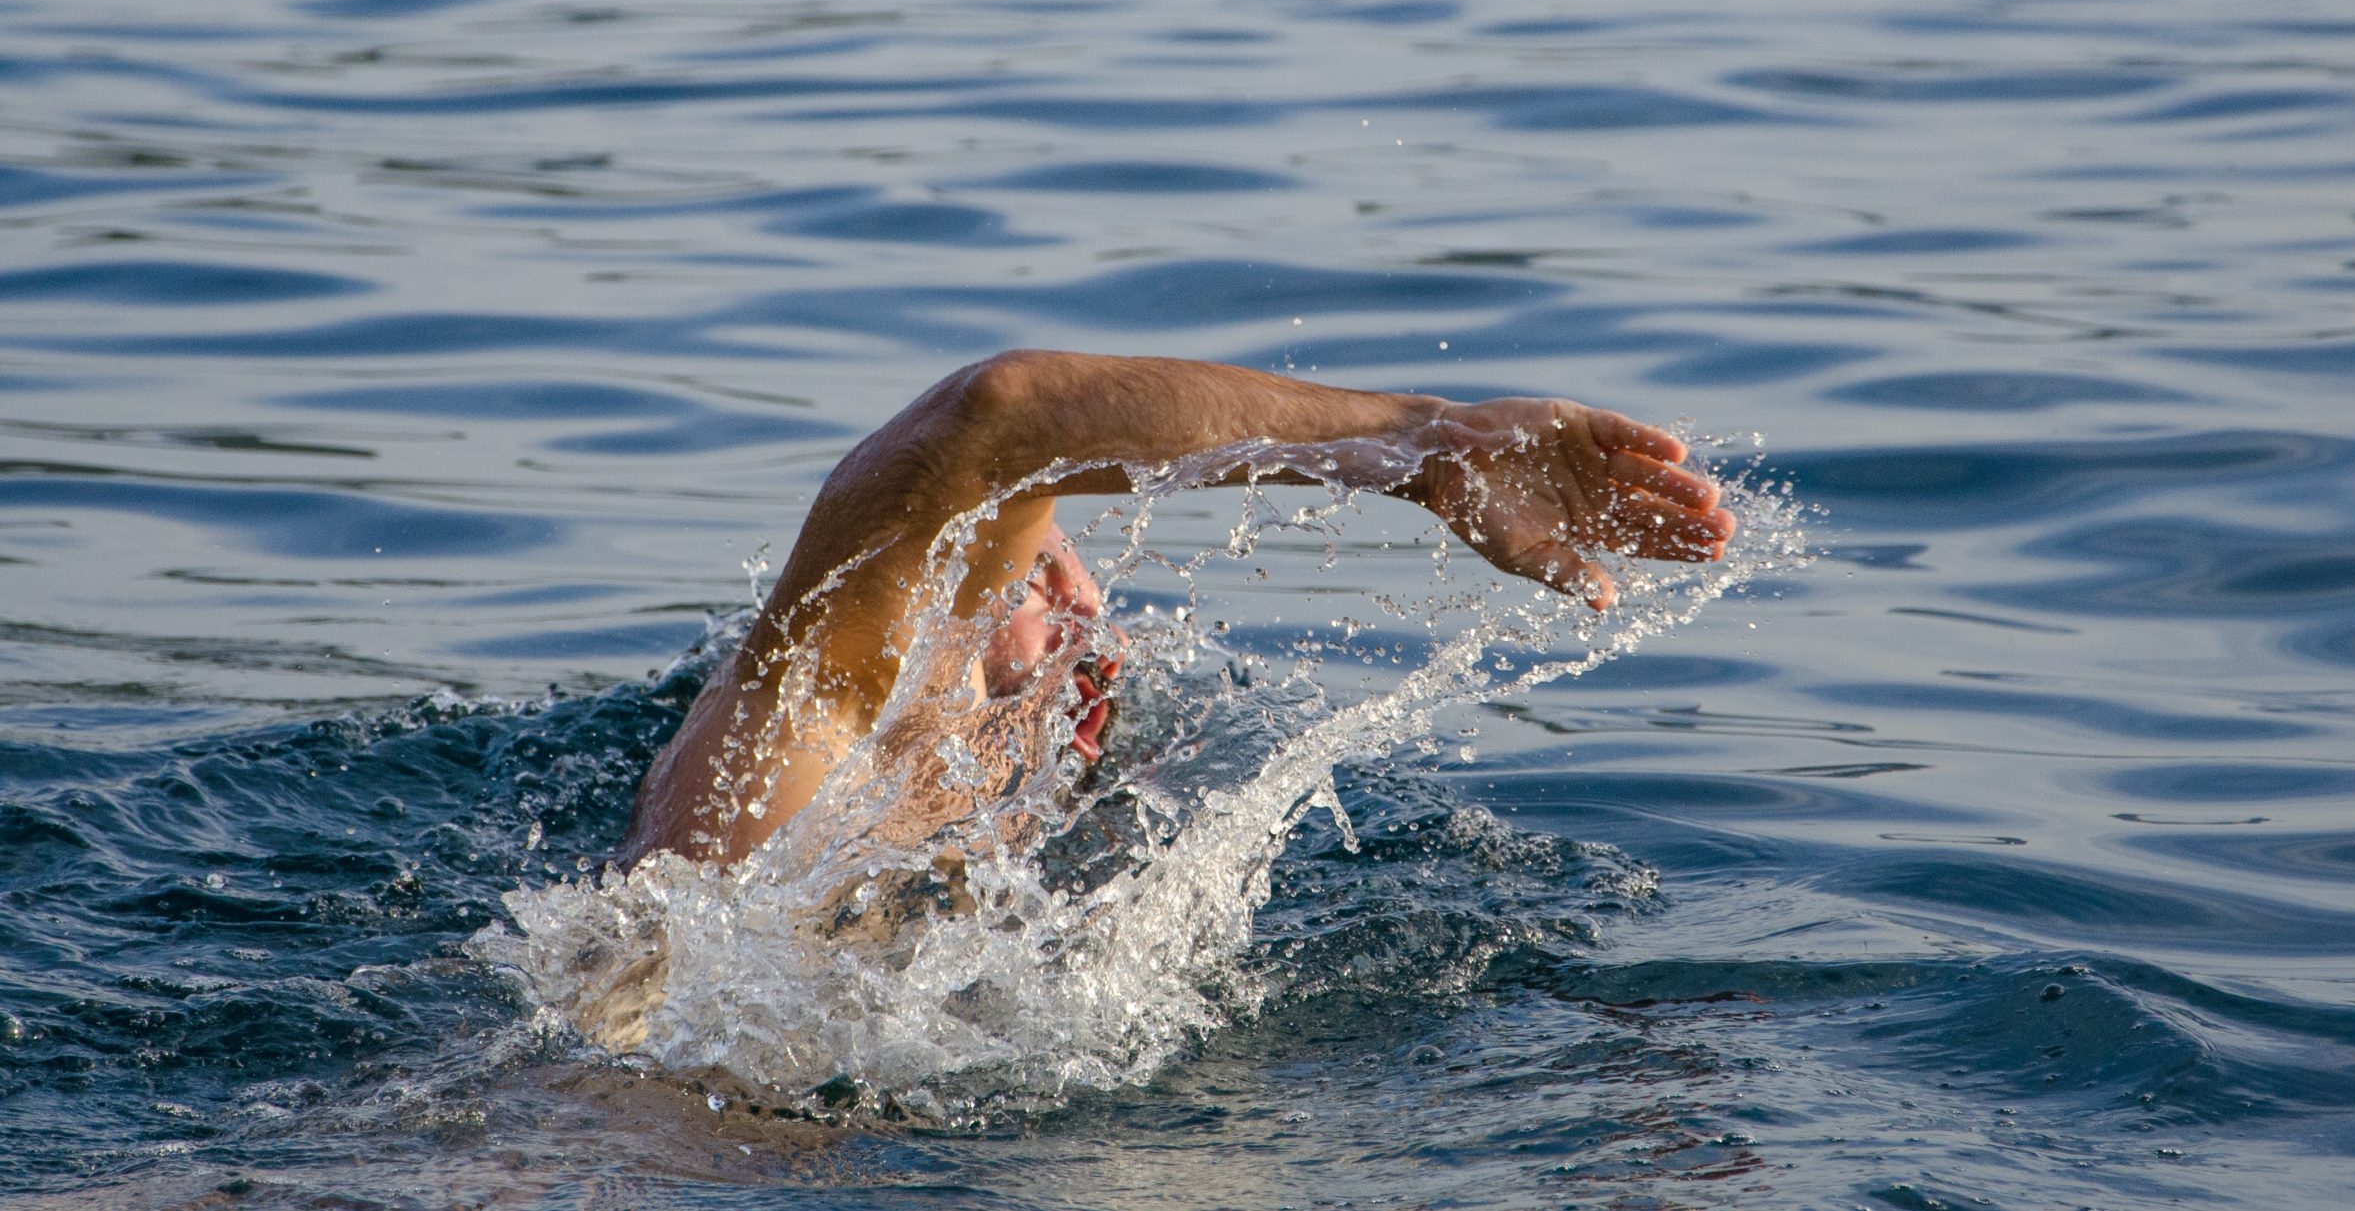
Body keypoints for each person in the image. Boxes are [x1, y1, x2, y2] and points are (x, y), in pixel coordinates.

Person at [619, 349, 1734, 868]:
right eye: (1027, 555)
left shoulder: (963, 861)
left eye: (1074, 570)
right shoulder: (802, 728)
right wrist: (1421, 443)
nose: (1071, 591)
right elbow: (998, 420)